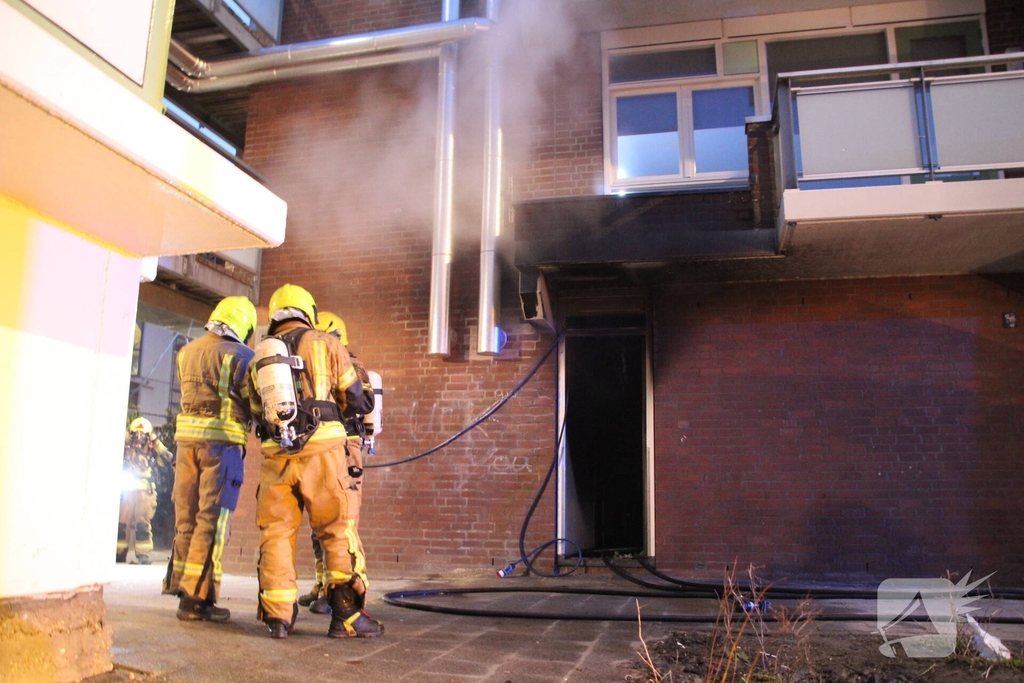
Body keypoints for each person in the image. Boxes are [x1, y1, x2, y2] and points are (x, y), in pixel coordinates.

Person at [248, 284, 381, 639]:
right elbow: (355, 399)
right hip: (323, 454)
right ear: (308, 311)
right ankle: (347, 617)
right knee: (337, 530)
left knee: (276, 534)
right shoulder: (327, 342)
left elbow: (253, 409)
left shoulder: (258, 356)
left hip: (276, 456)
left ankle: (278, 619)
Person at [161, 295, 257, 623]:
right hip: (222, 447)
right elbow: (254, 402)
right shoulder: (243, 355)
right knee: (212, 522)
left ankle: (181, 588)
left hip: (185, 445)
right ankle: (197, 599)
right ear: (243, 327)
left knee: (186, 517)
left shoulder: (186, 351)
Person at [296, 312, 375, 615]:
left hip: (347, 450)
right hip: (325, 449)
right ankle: (322, 586)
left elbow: (364, 404)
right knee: (319, 526)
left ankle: (346, 596)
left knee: (341, 523)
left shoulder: (353, 366)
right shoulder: (318, 366)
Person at [118, 417, 173, 565]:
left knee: (143, 523)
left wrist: (156, 442)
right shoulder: (126, 449)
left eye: (142, 435)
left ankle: (143, 554)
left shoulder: (153, 452)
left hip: (145, 493)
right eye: (136, 434)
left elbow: (169, 458)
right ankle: (119, 553)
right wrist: (122, 439)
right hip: (128, 492)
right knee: (122, 523)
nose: (138, 438)